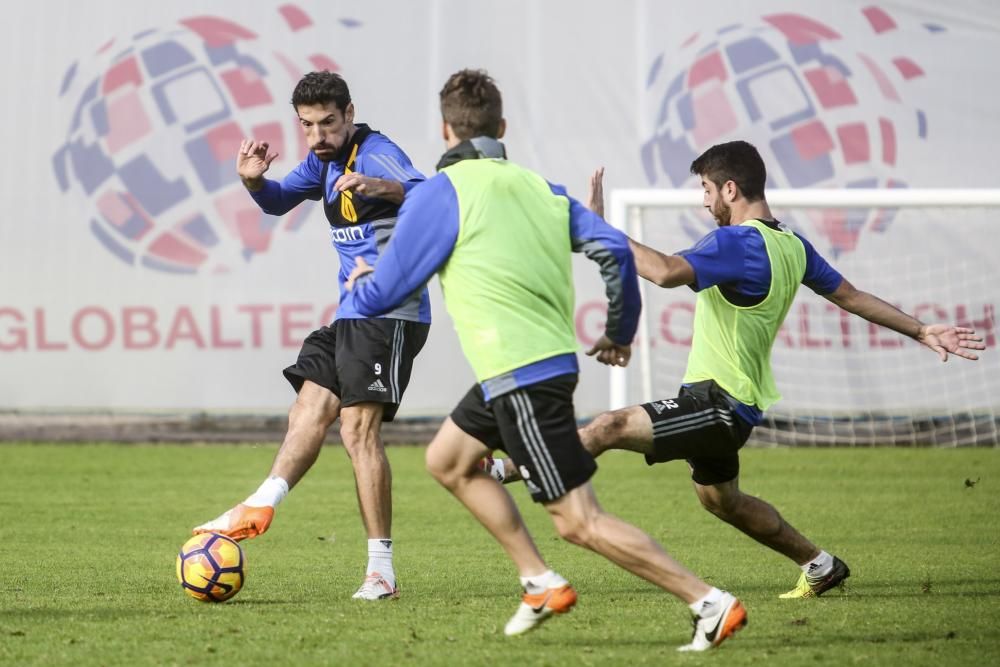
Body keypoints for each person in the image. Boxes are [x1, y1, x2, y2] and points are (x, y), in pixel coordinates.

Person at [343, 69, 747, 652]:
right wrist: (619, 329)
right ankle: (538, 581)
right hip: (529, 368)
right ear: (501, 128)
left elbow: (384, 295)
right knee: (449, 460)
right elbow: (610, 245)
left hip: (522, 376)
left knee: (578, 521)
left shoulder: (438, 193)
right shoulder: (541, 188)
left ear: (446, 129)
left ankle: (708, 601)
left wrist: (363, 280)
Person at [486, 140, 986, 599]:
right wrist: (920, 330)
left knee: (609, 426)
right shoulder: (791, 244)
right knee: (722, 501)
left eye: (706, 190)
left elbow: (661, 272)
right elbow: (850, 297)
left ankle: (501, 469)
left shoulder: (737, 244)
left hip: (716, 405)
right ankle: (819, 563)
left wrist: (597, 230)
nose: (704, 202)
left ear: (731, 188)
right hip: (733, 407)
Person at [193, 71, 430, 601]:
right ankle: (260, 503)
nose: (318, 134)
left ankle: (381, 571)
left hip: (392, 310)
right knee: (309, 405)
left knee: (356, 431)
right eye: (308, 125)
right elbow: (278, 200)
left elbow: (429, 194)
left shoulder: (376, 152)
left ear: (348, 113)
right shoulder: (322, 160)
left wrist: (380, 186)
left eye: (328, 122)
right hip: (352, 312)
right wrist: (254, 181)